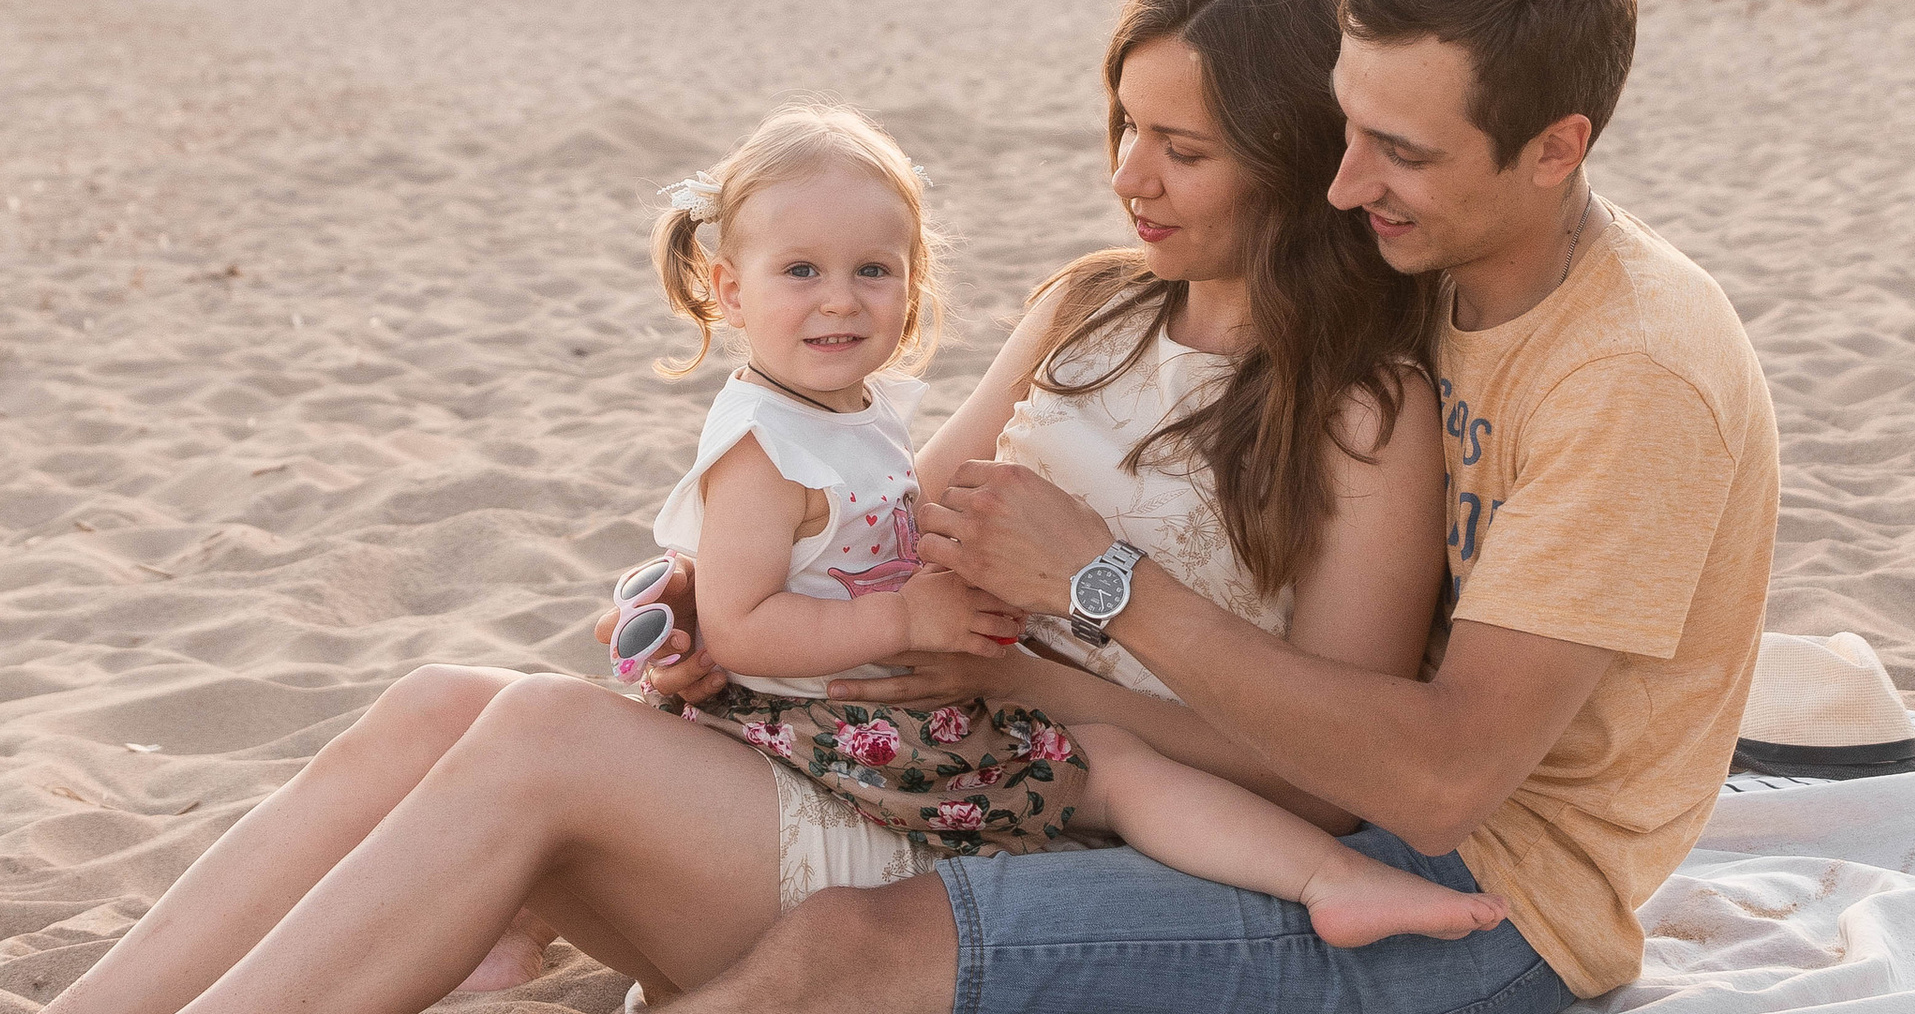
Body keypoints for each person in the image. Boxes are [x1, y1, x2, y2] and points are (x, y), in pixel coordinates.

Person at [0, 0, 1781, 1014]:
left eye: (1388, 157)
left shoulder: (1579, 378)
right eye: (1349, 137)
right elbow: (888, 506)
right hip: (954, 743)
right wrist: (734, 613)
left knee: (564, 767)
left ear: (1550, 149)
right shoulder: (1192, 294)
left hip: (1401, 874)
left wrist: (1058, 624)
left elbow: (1398, 773)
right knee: (455, 703)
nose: (1360, 190)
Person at [606, 97, 1497, 943]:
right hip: (881, 720)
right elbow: (884, 531)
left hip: (1003, 754)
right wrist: (706, 595)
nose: (1128, 174)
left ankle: (1332, 881)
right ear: (730, 291)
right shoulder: (1088, 305)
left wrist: (1033, 666)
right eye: (1128, 125)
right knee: (517, 720)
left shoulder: (1364, 413)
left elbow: (1337, 773)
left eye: (1183, 148)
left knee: (546, 740)